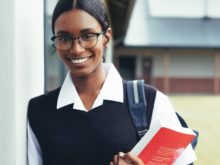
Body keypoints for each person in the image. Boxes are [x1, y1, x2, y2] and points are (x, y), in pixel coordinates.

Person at [27, 0, 196, 164]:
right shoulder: (39, 112)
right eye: (64, 38)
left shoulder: (150, 102)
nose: (76, 49)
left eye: (87, 36)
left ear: (106, 37)